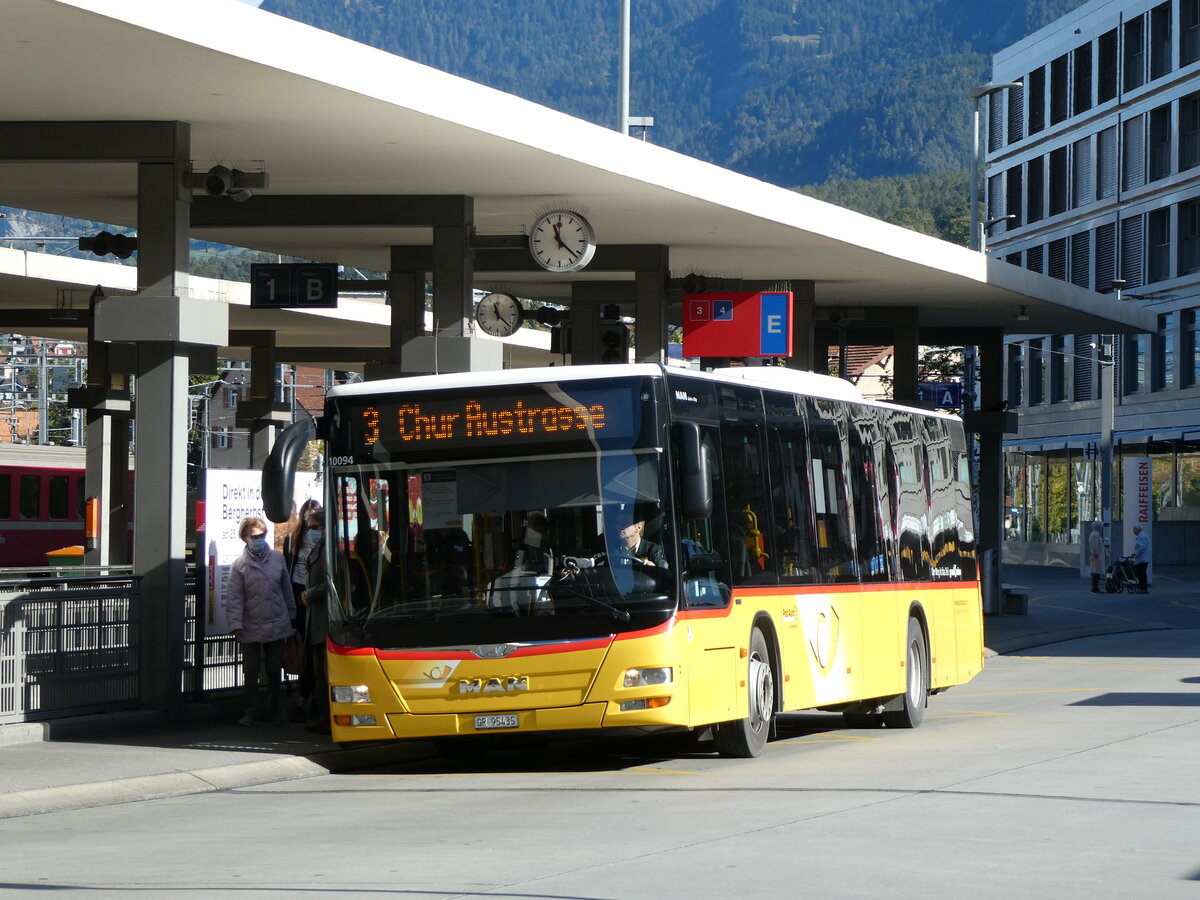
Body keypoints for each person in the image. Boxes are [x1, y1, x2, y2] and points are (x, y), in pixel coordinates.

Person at [225, 516, 297, 726]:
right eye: (255, 536)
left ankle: (277, 707)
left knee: (275, 669)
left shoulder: (277, 558)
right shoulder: (239, 565)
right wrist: (236, 625)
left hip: (277, 622)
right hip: (250, 625)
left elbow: (286, 590)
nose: (260, 539)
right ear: (245, 538)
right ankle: (251, 710)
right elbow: (234, 598)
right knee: (251, 671)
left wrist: (292, 619)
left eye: (262, 535)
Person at [283, 499, 321, 719]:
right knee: (305, 652)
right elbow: (289, 569)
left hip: (315, 597)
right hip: (298, 595)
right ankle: (305, 700)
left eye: (314, 514)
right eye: (307, 514)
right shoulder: (293, 539)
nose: (310, 519)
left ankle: (307, 700)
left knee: (315, 654)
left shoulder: (325, 540)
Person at [299, 509, 331, 733]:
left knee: (325, 673)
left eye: (313, 527)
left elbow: (334, 580)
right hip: (315, 620)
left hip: (325, 620)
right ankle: (324, 716)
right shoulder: (318, 548)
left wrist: (311, 594)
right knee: (319, 672)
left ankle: (327, 717)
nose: (310, 532)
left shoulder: (328, 550)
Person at [1131, 524, 1151, 594]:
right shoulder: (1142, 535)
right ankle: (1142, 587)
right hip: (1142, 558)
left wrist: (1135, 553)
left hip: (1142, 559)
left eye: (1134, 529)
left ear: (1137, 529)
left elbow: (1142, 548)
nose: (1133, 531)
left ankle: (1143, 588)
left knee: (1141, 574)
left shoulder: (1141, 536)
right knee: (1141, 574)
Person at [1088, 522, 1105, 594]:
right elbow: (1094, 545)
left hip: (1096, 555)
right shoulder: (1095, 534)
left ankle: (1095, 587)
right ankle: (1095, 588)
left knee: (1096, 571)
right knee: (1096, 571)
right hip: (1096, 555)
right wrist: (1095, 553)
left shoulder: (1095, 534)